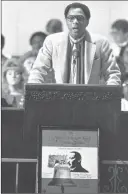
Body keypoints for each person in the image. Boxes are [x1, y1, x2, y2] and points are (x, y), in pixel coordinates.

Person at [28, 2, 121, 85]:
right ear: (66, 21)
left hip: (90, 99)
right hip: (60, 99)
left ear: (87, 21)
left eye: (80, 18)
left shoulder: (101, 43)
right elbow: (38, 71)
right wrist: (33, 92)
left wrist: (110, 97)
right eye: (71, 18)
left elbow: (112, 74)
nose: (75, 22)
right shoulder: (52, 41)